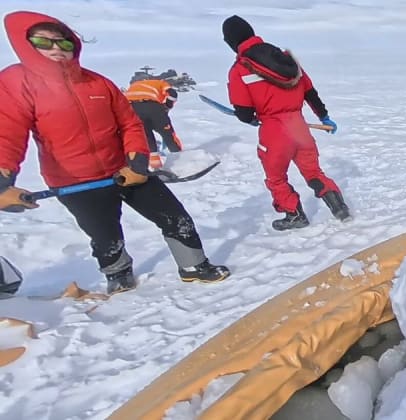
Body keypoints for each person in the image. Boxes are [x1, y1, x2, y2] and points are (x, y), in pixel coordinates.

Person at [0, 11, 230, 294]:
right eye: (44, 42)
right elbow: (6, 134)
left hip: (124, 170)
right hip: (75, 181)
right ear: (26, 44)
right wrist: (3, 182)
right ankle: (118, 274)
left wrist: (137, 161)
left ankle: (194, 266)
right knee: (105, 235)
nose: (57, 49)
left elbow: (129, 123)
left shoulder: (97, 83)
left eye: (64, 43)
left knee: (175, 216)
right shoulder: (16, 83)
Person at [222, 15, 350, 230]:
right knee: (314, 172)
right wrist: (324, 117)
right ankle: (340, 209)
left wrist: (251, 118)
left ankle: (294, 215)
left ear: (231, 42)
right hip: (299, 126)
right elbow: (310, 91)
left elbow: (244, 112)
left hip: (274, 130)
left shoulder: (240, 69)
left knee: (276, 178)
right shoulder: (286, 60)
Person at [124, 77, 183, 169]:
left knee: (147, 137)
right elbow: (172, 94)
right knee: (168, 135)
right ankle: (181, 161)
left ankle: (155, 167)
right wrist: (167, 106)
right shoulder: (161, 83)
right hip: (153, 108)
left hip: (132, 109)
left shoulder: (134, 86)